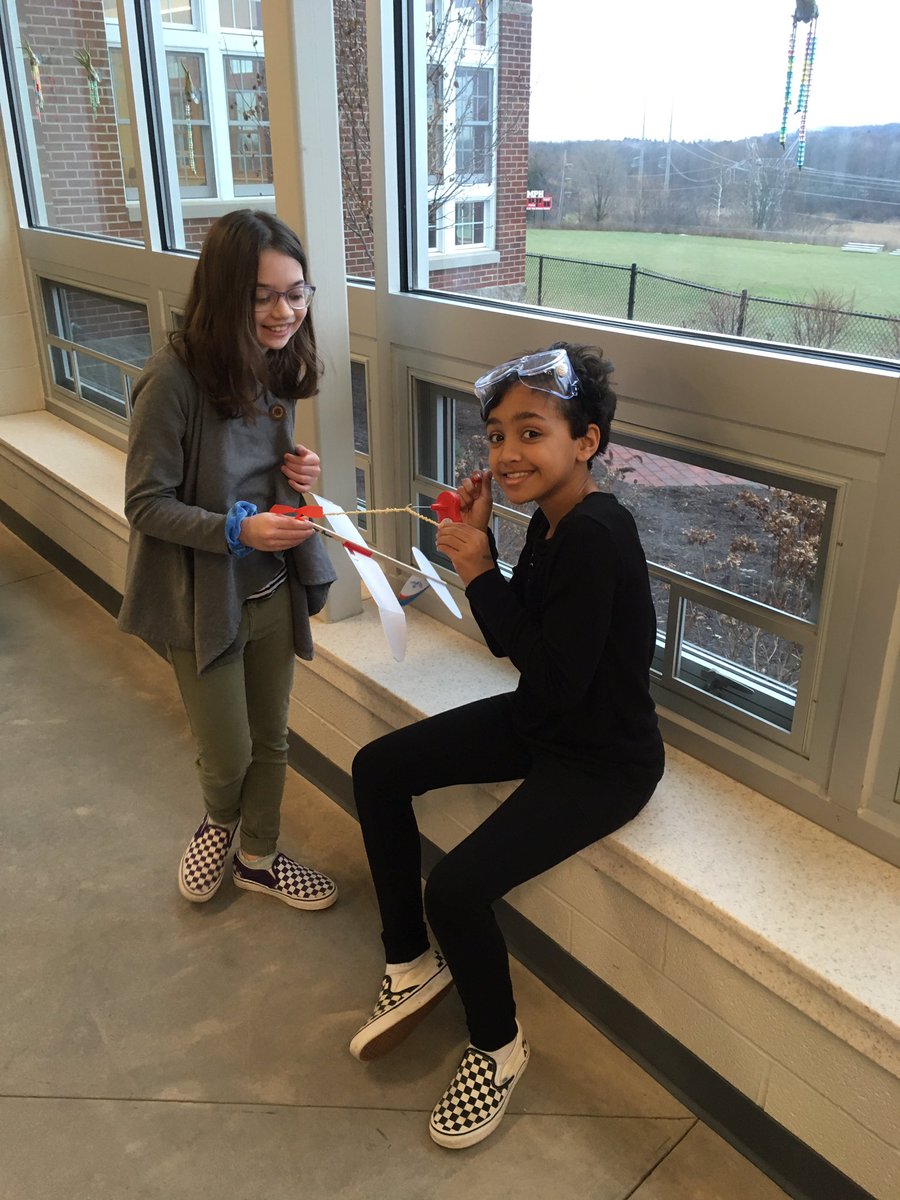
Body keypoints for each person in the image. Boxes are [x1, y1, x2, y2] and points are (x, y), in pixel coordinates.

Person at [349, 343, 664, 1149]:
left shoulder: (597, 533)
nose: (507, 453)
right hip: (547, 721)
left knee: (455, 889)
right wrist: (483, 551)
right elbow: (521, 642)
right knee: (377, 769)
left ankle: (498, 1047)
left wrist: (481, 571)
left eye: (531, 432)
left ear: (586, 441)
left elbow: (552, 676)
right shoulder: (556, 524)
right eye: (495, 436)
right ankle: (410, 960)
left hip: (604, 760)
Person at [118, 209, 338, 912]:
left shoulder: (278, 362)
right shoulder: (172, 379)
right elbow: (145, 505)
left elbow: (253, 471)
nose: (284, 312)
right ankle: (219, 820)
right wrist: (240, 532)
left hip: (271, 585)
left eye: (296, 292)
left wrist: (296, 473)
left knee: (272, 738)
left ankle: (259, 858)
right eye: (263, 296)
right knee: (230, 752)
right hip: (203, 596)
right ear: (223, 293)